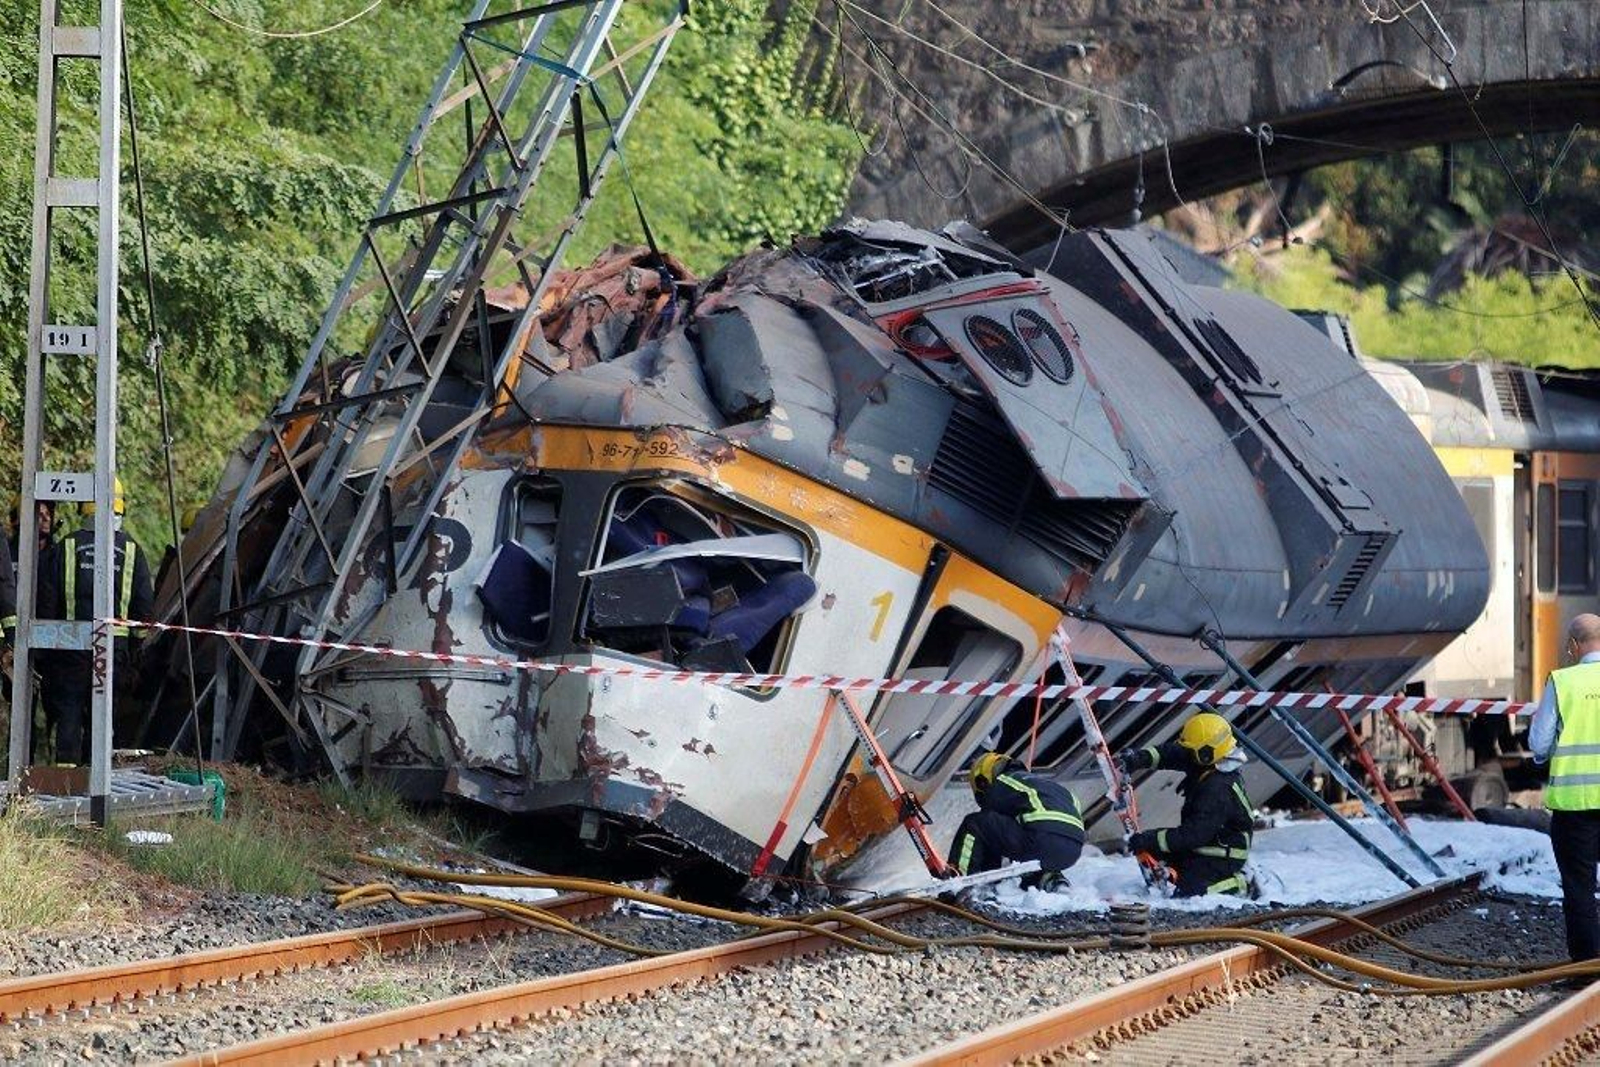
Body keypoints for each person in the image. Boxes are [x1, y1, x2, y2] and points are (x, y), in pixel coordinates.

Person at [36, 477, 154, 765]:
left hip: (70, 649)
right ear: (120, 507)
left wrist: (44, 653)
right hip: (113, 651)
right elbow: (143, 609)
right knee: (102, 717)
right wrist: (135, 650)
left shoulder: (66, 546)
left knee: (69, 713)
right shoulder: (132, 551)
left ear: (85, 507)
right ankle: (95, 775)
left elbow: (47, 602)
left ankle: (66, 777)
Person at [1116, 712, 1255, 898]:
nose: (1187, 755)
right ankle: (1175, 875)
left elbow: (1193, 835)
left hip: (1222, 855)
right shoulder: (1206, 761)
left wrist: (1150, 838)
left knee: (1190, 892)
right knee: (1152, 849)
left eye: (1191, 752)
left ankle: (1240, 884)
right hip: (1200, 845)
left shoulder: (1218, 789)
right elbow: (1173, 754)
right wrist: (1140, 758)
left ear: (1206, 754)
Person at [1530, 612, 1600, 964]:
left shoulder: (1562, 681)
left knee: (1579, 889)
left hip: (1575, 807)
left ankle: (1587, 968)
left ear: (1573, 645)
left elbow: (1539, 744)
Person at [949, 751, 1084, 890]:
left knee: (975, 823)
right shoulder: (1051, 786)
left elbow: (989, 828)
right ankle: (1050, 880)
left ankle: (959, 881)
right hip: (1072, 851)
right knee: (1027, 850)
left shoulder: (1004, 781)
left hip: (1039, 840)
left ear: (983, 780)